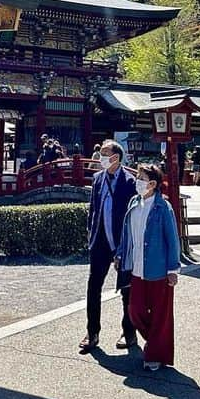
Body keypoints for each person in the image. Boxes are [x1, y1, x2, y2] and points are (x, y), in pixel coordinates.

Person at [115, 164, 180, 371]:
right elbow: (128, 235)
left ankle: (154, 353)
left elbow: (172, 239)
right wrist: (120, 254)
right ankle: (154, 341)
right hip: (136, 268)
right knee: (135, 310)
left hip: (159, 269)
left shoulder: (163, 207)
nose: (138, 181)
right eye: (138, 177)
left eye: (142, 178)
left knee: (161, 315)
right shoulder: (134, 202)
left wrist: (173, 269)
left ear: (152, 184)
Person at [80, 139, 137, 354]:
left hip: (121, 242)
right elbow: (93, 208)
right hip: (100, 240)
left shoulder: (129, 182)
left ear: (117, 157)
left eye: (105, 154)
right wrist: (89, 233)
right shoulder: (97, 179)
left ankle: (128, 332)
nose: (101, 157)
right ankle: (92, 331)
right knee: (93, 286)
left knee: (126, 289)